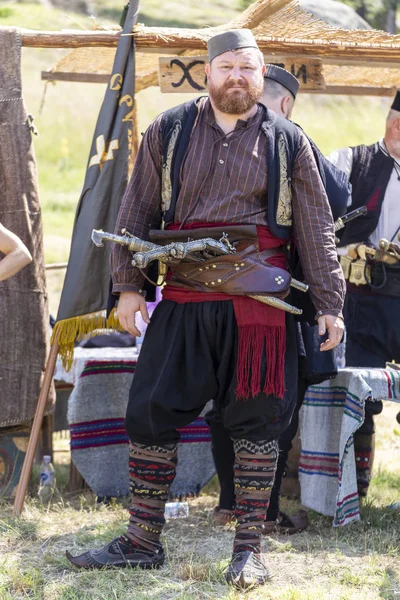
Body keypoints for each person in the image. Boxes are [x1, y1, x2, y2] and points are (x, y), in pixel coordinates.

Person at [67, 30, 345, 589]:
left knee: (261, 419)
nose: (237, 77)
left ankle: (248, 549)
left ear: (261, 77)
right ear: (208, 73)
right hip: (186, 298)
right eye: (226, 67)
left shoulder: (290, 141)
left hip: (262, 306)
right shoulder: (168, 132)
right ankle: (142, 541)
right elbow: (137, 207)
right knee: (150, 408)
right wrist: (129, 287)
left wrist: (330, 303)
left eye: (248, 67)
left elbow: (315, 227)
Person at [208, 65, 350, 533]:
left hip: (216, 294)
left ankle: (231, 504)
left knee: (229, 401)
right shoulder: (287, 136)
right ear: (286, 103)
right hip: (277, 300)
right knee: (270, 404)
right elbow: (339, 193)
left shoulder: (211, 133)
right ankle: (260, 513)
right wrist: (293, 133)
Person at [328, 91, 400, 497]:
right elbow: (316, 216)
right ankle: (355, 490)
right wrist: (346, 251)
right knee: (358, 398)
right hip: (361, 303)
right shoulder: (348, 162)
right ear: (395, 127)